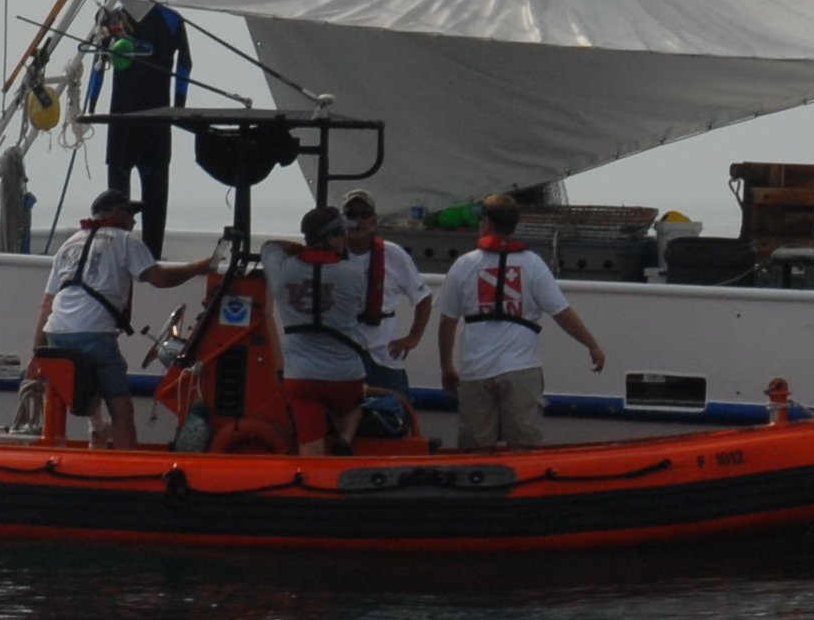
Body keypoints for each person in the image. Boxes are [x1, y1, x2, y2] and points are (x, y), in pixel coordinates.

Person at [31, 191, 217, 447]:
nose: (134, 221)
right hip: (94, 335)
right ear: (116, 213)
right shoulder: (126, 241)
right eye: (130, 213)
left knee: (87, 376)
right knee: (121, 409)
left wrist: (37, 353)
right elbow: (160, 279)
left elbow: (47, 304)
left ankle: (97, 432)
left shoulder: (68, 244)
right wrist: (199, 266)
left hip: (57, 333)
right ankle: (124, 456)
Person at [434, 193, 609, 451]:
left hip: (476, 371)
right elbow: (561, 312)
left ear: (487, 224)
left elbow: (447, 322)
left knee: (475, 449)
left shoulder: (464, 264)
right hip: (521, 370)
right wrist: (591, 345)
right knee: (524, 447)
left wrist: (446, 367)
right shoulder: (532, 264)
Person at [260, 205, 381, 455]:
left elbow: (269, 246)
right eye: (341, 234)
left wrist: (298, 249)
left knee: (310, 445)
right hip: (345, 376)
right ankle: (344, 439)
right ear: (332, 238)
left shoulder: (283, 271)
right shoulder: (353, 273)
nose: (345, 239)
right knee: (353, 406)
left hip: (302, 377)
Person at [83, 0, 192, 245]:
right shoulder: (115, 19)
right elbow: (185, 65)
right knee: (139, 204)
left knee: (133, 204)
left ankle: (136, 255)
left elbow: (98, 64)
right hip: (149, 121)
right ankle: (142, 255)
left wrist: (92, 105)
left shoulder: (165, 19)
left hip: (130, 121)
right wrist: (179, 105)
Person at [336, 192, 436, 395]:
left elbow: (423, 298)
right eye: (352, 214)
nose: (358, 220)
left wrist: (413, 337)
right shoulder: (333, 253)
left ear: (373, 220)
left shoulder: (393, 253)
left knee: (397, 406)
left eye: (364, 214)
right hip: (343, 351)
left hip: (384, 352)